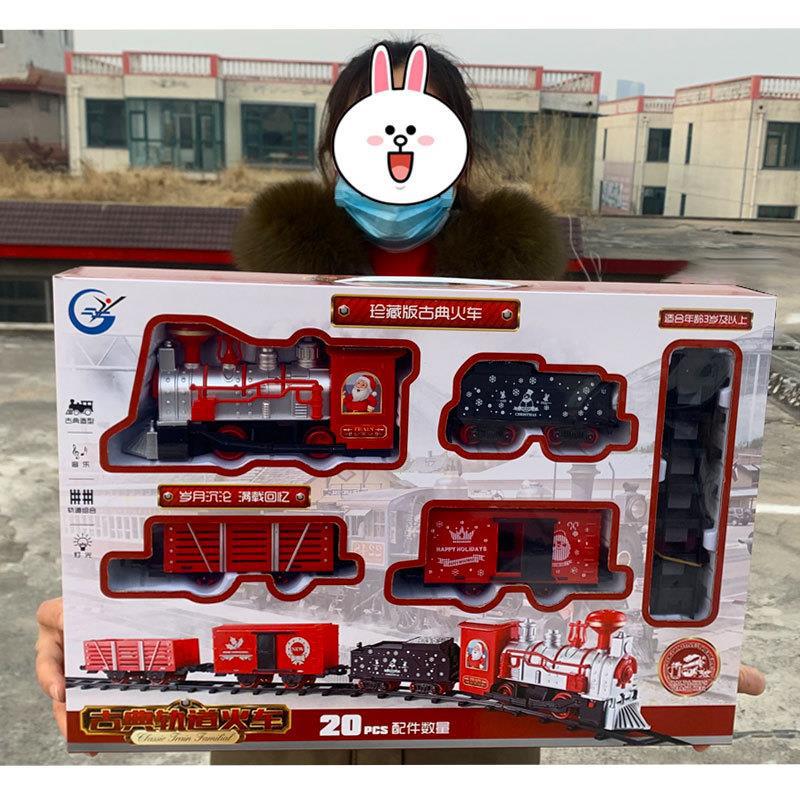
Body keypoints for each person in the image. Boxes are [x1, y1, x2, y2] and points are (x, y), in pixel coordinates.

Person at [35, 39, 766, 764]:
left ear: (463, 151)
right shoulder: (242, 308)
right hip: (285, 750)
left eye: (424, 125)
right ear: (333, 148)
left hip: (470, 750)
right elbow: (158, 502)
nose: (399, 148)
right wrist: (92, 612)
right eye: (373, 125)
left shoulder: (554, 318)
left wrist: (696, 652)